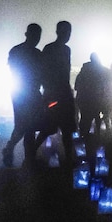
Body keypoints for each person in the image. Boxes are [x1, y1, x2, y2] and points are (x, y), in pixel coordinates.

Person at [33, 21, 76, 165]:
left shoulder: (58, 49)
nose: (68, 35)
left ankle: (68, 157)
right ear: (59, 32)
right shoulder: (54, 49)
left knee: (61, 127)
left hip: (60, 92)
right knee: (52, 126)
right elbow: (45, 71)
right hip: (56, 92)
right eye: (66, 32)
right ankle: (33, 150)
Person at [2, 23, 43, 168]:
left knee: (26, 126)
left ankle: (18, 152)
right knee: (25, 125)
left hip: (24, 92)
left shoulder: (17, 51)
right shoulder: (33, 53)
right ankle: (26, 156)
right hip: (24, 92)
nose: (37, 39)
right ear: (28, 35)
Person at [74, 52, 105, 140]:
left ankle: (83, 134)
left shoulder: (82, 73)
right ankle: (97, 134)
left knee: (84, 117)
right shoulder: (99, 72)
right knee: (96, 116)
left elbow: (76, 86)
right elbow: (102, 86)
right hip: (95, 98)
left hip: (83, 98)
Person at [102, 61, 112, 132]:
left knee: (108, 111)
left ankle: (109, 125)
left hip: (108, 96)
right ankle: (109, 125)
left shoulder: (108, 74)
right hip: (110, 96)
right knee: (109, 111)